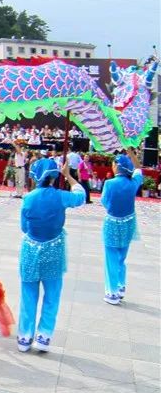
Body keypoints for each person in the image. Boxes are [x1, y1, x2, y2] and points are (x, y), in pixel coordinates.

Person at [17, 158, 86, 353]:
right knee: (52, 295)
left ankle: (24, 337)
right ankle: (43, 337)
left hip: (31, 249)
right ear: (54, 176)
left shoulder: (28, 198)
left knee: (28, 294)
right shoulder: (61, 196)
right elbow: (81, 196)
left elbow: (24, 227)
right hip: (54, 249)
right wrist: (69, 176)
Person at [101, 150, 143, 305]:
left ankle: (112, 293)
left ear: (116, 167)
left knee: (111, 257)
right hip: (129, 222)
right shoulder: (133, 183)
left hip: (112, 222)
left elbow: (105, 203)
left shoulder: (109, 183)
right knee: (121, 256)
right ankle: (120, 286)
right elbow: (139, 169)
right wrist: (132, 154)